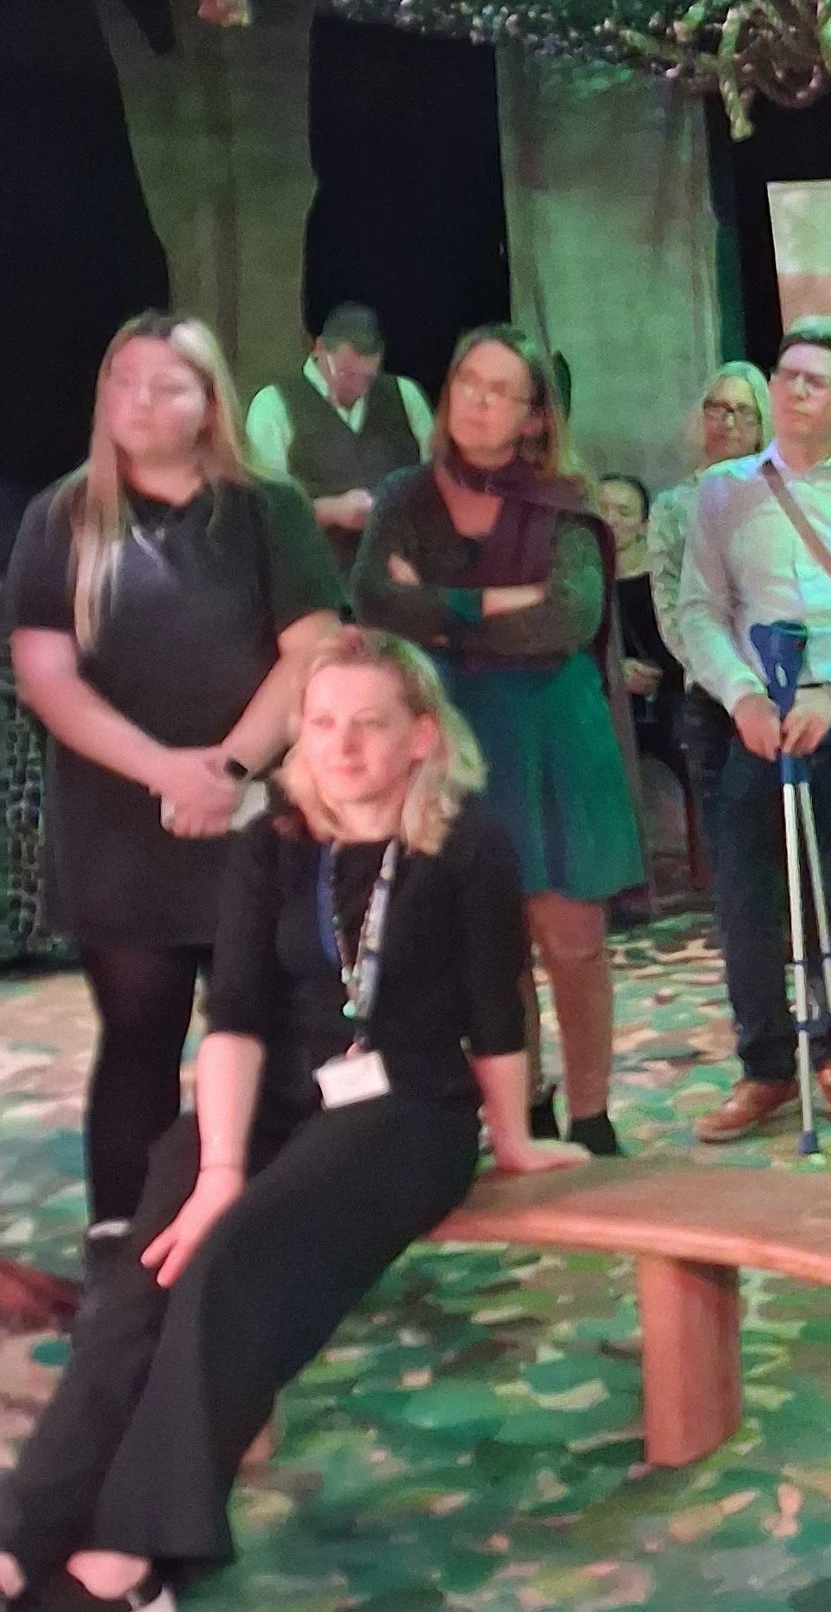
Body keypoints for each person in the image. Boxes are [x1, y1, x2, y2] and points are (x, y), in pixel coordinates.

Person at [0, 632, 586, 1612]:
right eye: (322, 724)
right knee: (139, 1278)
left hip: (405, 1107)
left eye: (368, 724)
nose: (343, 745)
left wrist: (511, 1139)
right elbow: (231, 1016)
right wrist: (217, 1163)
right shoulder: (275, 837)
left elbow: (501, 1008)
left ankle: (126, 1568)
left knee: (230, 1264)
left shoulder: (467, 844)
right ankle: (19, 1538)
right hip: (265, 1095)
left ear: (420, 739)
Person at [7, 314, 343, 1231]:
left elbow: (315, 646)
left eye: (167, 385)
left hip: (254, 808)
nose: (141, 401)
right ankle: (128, 1245)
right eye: (125, 381)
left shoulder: (266, 508)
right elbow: (45, 674)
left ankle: (278, 1234)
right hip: (121, 822)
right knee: (138, 1036)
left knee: (274, 1033)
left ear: (208, 404)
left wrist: (230, 766)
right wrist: (167, 772)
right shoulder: (62, 516)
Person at [353, 328, 645, 1155]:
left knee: (571, 939)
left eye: (499, 390)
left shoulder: (568, 498)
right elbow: (374, 601)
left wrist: (441, 612)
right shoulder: (405, 495)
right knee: (491, 941)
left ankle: (590, 1113)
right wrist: (492, 604)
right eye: (466, 382)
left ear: (531, 416)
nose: (476, 401)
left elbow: (567, 618)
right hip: (455, 732)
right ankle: (529, 1100)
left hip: (554, 732)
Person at [676, 320, 831, 1138]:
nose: (792, 390)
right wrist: (745, 697)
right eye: (785, 374)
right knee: (747, 898)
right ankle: (765, 1067)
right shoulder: (721, 492)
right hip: (755, 722)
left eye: (815, 381)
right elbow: (700, 610)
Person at [649, 362, 774, 873]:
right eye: (716, 409)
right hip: (707, 686)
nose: (726, 421)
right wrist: (716, 671)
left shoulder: (780, 492)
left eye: (741, 411)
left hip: (775, 681)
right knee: (723, 816)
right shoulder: (675, 505)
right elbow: (669, 600)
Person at [242, 302, 434, 549]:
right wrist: (329, 511)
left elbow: (437, 481)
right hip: (314, 573)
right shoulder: (273, 405)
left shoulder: (405, 395)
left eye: (367, 378)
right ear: (320, 349)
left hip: (398, 567)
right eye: (346, 374)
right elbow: (260, 511)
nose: (358, 387)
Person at [596, 473, 674, 774]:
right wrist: (615, 671)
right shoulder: (580, 581)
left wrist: (657, 677)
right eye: (602, 507)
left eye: (624, 512)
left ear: (644, 524)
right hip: (602, 718)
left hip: (659, 720)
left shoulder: (664, 582)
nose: (610, 519)